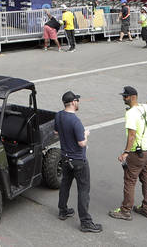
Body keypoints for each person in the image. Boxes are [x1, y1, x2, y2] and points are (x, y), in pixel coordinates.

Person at [110, 86, 147, 221]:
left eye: (125, 96)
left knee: (130, 181)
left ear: (132, 97)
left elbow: (131, 135)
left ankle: (125, 210)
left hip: (136, 153)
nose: (123, 98)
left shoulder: (131, 113)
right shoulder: (143, 107)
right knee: (146, 178)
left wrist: (125, 152)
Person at [55, 92, 102, 233]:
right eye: (78, 100)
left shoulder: (58, 115)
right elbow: (81, 143)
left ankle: (63, 211)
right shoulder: (76, 121)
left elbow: (56, 133)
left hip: (65, 157)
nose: (79, 103)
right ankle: (86, 222)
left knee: (65, 184)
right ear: (74, 102)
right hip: (78, 160)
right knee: (83, 189)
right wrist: (86, 135)